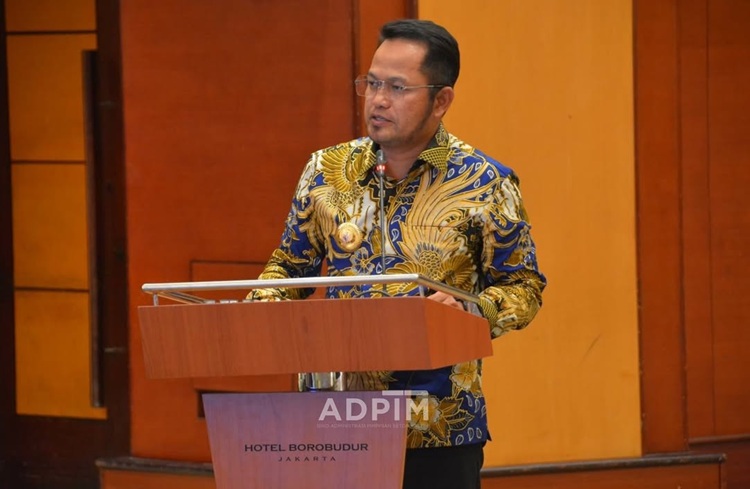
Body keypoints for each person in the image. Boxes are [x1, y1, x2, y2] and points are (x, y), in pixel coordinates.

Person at [249, 18, 546, 489]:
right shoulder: (326, 171)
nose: (379, 100)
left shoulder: (485, 182)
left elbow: (523, 287)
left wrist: (471, 311)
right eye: (372, 83)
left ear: (441, 100)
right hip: (334, 418)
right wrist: (256, 309)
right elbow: (289, 267)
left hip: (437, 424)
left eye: (397, 87)